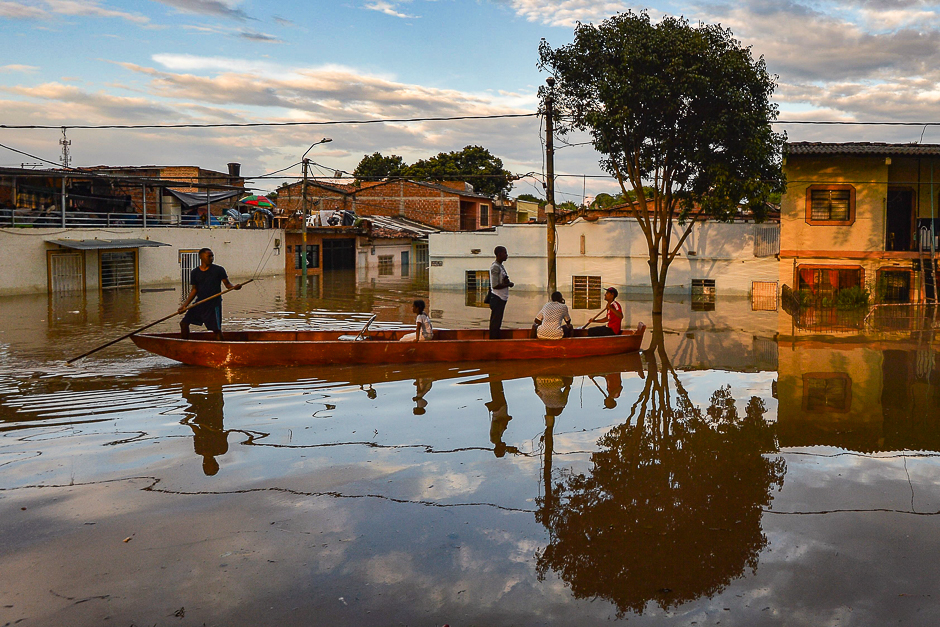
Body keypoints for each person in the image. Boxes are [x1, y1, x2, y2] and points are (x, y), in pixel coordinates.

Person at [178, 248, 241, 340]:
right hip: (200, 303)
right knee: (183, 323)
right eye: (209, 256)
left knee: (216, 330)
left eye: (212, 256)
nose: (211, 258)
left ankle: (222, 348)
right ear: (201, 257)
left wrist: (234, 287)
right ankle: (184, 345)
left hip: (213, 304)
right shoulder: (195, 272)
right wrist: (184, 306)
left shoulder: (219, 270)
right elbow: (194, 290)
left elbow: (227, 284)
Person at [489, 246, 513, 339]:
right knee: (495, 322)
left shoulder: (500, 266)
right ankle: (493, 341)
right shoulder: (495, 267)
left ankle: (496, 338)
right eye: (505, 253)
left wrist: (506, 282)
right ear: (499, 254)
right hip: (497, 297)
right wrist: (508, 284)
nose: (507, 255)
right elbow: (495, 285)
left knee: (498, 321)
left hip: (502, 298)